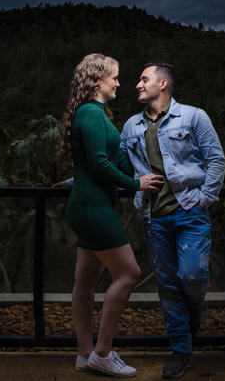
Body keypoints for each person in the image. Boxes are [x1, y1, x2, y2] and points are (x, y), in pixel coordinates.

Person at [56, 53, 165, 378]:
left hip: (89, 203)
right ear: (96, 80)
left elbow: (101, 162)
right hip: (93, 208)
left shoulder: (97, 114)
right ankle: (102, 352)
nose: (119, 83)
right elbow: (99, 164)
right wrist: (137, 183)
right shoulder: (90, 113)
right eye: (114, 77)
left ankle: (84, 353)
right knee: (129, 273)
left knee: (85, 282)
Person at [121, 61, 225, 379]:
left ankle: (194, 317)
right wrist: (73, 183)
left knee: (192, 275)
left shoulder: (194, 116)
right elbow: (112, 165)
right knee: (168, 286)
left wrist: (203, 199)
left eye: (143, 79)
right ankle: (181, 350)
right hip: (154, 218)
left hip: (190, 213)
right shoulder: (131, 127)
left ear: (163, 84)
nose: (138, 85)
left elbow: (216, 159)